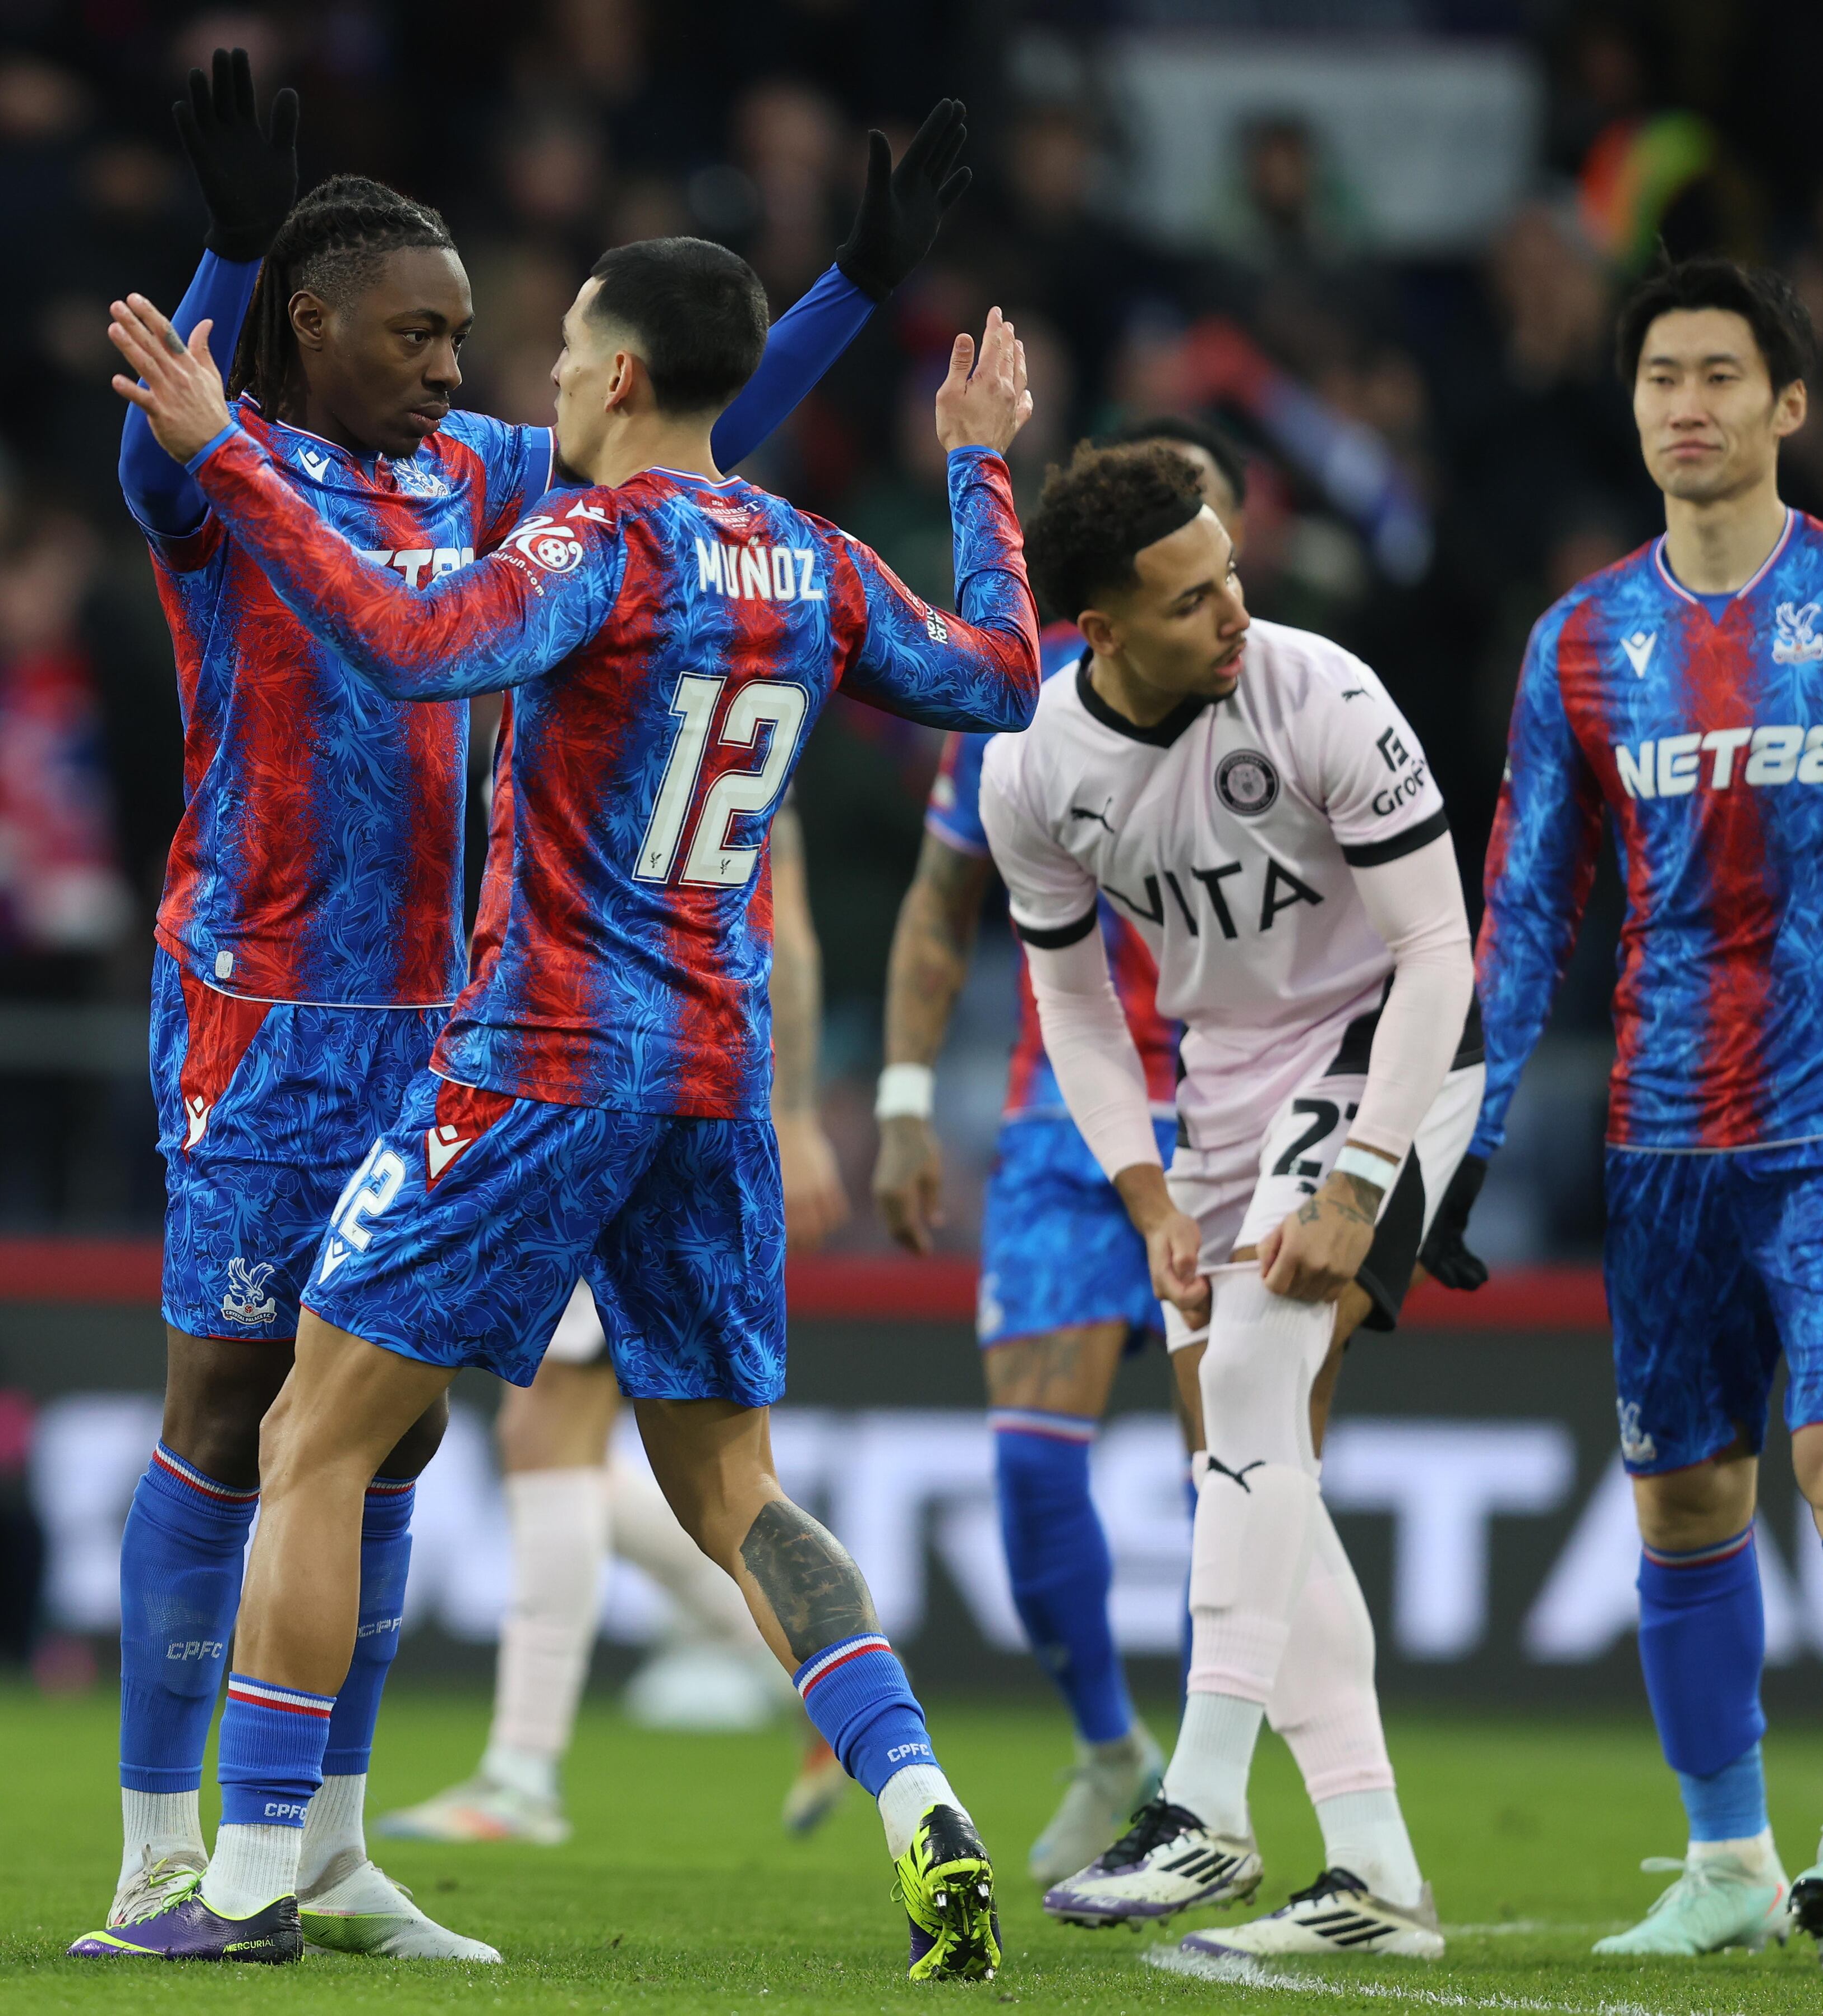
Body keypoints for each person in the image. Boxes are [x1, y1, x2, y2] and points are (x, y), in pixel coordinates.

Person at [95, 51, 973, 1960]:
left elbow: (688, 465)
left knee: (386, 1433)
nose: (447, 363)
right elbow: (159, 447)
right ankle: (162, 1852)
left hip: (461, 1016)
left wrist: (844, 295)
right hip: (264, 1005)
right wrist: (227, 253)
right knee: (228, 1411)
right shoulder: (215, 467)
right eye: (411, 334)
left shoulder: (493, 478)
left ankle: (322, 1849)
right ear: (308, 328)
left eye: (467, 334)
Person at [985, 440, 1471, 1958]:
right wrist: (1144, 1191)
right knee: (1243, 1459)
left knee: (1258, 1379)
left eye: (1233, 576)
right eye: (1193, 599)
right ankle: (1378, 1870)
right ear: (1100, 626)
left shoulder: (1319, 691)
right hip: (1216, 1090)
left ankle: (1200, 1807)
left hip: (1391, 1045)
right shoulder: (1030, 770)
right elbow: (1071, 1004)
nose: (1235, 612)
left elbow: (1441, 949)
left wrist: (1361, 1175)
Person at [1461, 255, 1823, 1964]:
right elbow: (1528, 910)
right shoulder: (1583, 640)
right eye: (1657, 380)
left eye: (1718, 375)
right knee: (1685, 1506)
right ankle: (1728, 1860)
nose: (1683, 405)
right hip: (1660, 1136)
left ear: (1790, 405)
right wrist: (1455, 1142)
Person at [872, 417, 1247, 1886]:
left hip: (1237, 1110)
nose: (1220, 599)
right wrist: (904, 1094)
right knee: (1031, 1472)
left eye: (1220, 564)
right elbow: (933, 905)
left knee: (1238, 1471)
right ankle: (1112, 1751)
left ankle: (1231, 1784)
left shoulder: (1280, 703)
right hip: (1063, 1116)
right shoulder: (1017, 726)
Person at [379, 813, 857, 1850]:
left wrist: (803, 1115)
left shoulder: (598, 667)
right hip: (671, 1082)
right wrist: (800, 1113)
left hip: (599, 1078)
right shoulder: (768, 671)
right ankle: (826, 1670)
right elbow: (796, 931)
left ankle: (521, 1773)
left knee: (550, 1440)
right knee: (592, 1461)